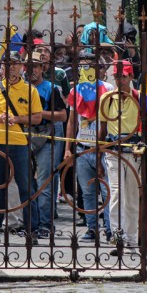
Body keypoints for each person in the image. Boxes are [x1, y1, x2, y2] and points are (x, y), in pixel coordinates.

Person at [0, 51, 43, 244]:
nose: (11, 67)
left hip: (20, 143)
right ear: (1, 67)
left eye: (15, 63)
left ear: (21, 66)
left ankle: (31, 230)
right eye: (7, 63)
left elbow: (37, 118)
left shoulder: (30, 90)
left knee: (27, 189)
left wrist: (17, 119)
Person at [64, 51, 113, 242]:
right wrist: (68, 148)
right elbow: (71, 122)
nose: (87, 69)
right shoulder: (75, 91)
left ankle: (110, 228)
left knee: (107, 191)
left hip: (103, 147)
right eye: (83, 66)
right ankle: (92, 228)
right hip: (83, 147)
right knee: (87, 191)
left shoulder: (107, 88)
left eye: (90, 66)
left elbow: (109, 119)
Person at [98, 60, 142, 255]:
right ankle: (118, 236)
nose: (120, 80)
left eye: (123, 76)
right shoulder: (106, 98)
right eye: (117, 76)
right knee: (116, 193)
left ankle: (132, 239)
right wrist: (100, 153)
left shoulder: (139, 98)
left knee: (132, 197)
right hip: (113, 150)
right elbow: (103, 128)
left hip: (133, 150)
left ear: (131, 77)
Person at [26, 51, 67, 238]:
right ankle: (29, 222)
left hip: (47, 135)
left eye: (35, 66)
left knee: (45, 181)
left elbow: (62, 115)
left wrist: (39, 114)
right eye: (28, 66)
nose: (31, 70)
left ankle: (45, 224)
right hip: (24, 136)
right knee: (25, 181)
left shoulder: (51, 88)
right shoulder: (20, 87)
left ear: (42, 68)